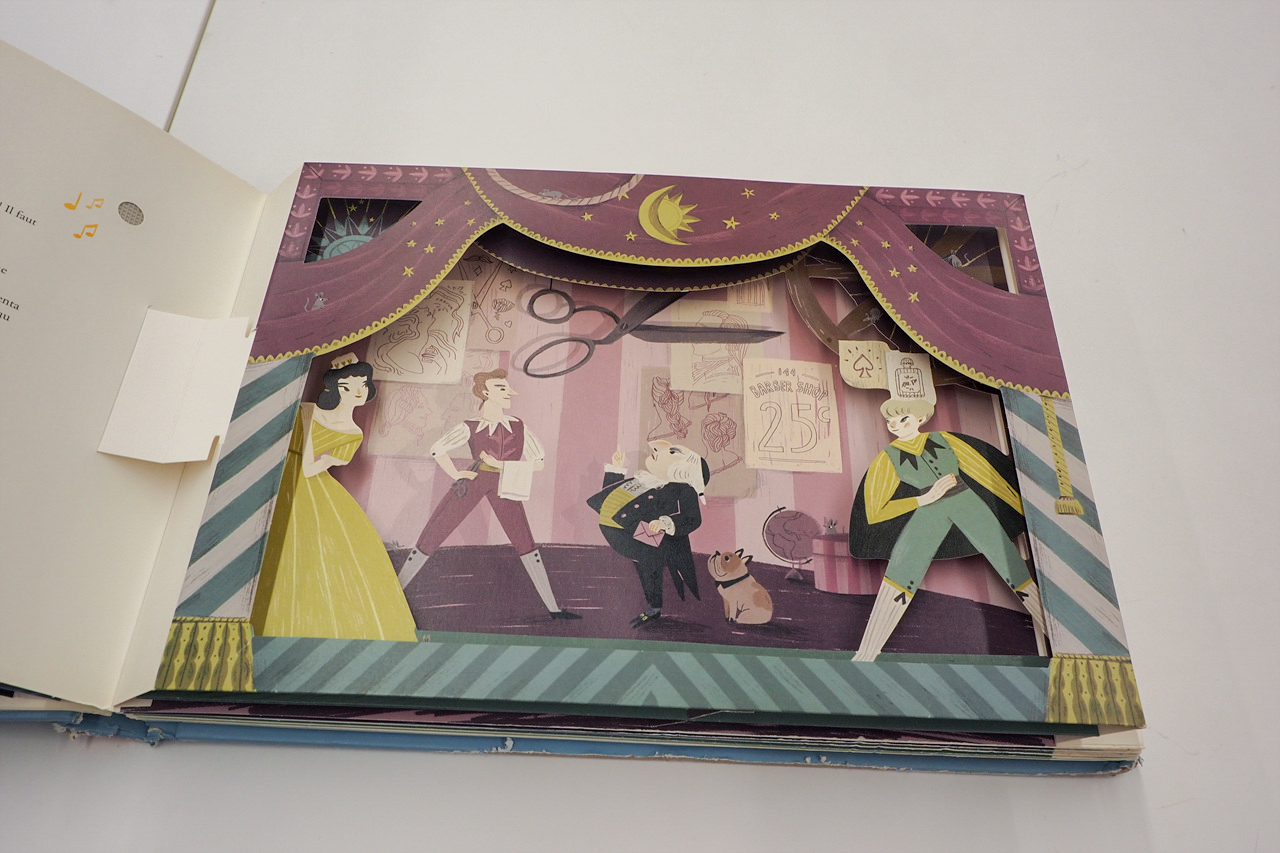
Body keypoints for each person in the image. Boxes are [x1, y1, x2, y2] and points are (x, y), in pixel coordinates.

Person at [847, 398, 1047, 661]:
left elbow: (984, 472)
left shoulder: (945, 439)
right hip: (929, 512)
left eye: (903, 418)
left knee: (1011, 564)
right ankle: (866, 653)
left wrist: (1025, 510)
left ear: (920, 418)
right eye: (890, 421)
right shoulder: (887, 458)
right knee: (901, 571)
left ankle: (1059, 637)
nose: (895, 425)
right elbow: (875, 512)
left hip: (968, 503)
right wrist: (923, 499)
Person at [250, 353, 418, 641]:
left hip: (310, 487)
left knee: (313, 556)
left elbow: (311, 467)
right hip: (279, 476)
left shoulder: (351, 431)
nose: (356, 391)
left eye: (362, 385)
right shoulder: (308, 409)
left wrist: (311, 426)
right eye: (347, 386)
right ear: (335, 388)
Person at [399, 369, 578, 619]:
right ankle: (396, 593)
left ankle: (553, 609)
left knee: (524, 540)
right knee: (435, 530)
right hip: (475, 478)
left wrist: (501, 465)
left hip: (506, 482)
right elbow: (437, 449)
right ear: (485, 392)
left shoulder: (518, 426)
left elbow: (539, 462)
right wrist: (456, 474)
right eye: (502, 388)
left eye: (507, 388)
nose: (509, 393)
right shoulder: (471, 426)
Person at [587, 440, 711, 627]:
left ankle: (654, 607)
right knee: (647, 562)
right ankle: (654, 604)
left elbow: (693, 519)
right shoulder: (644, 479)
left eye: (672, 454)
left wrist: (666, 523)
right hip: (620, 528)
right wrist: (616, 470)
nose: (656, 450)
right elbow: (611, 496)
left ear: (683, 470)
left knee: (649, 562)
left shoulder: (683, 489)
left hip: (638, 531)